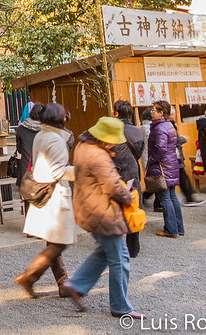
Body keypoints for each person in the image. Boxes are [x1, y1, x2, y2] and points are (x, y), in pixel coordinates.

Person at [61, 117, 142, 320]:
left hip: (88, 208)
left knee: (105, 252)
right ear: (105, 139)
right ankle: (120, 306)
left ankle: (77, 284)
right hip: (103, 212)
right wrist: (128, 196)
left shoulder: (83, 146)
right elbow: (112, 186)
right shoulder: (98, 156)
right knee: (120, 258)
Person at [15, 103, 75, 295]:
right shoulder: (56, 140)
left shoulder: (41, 134)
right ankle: (29, 277)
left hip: (44, 191)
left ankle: (63, 283)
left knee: (54, 241)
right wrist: (82, 171)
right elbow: (57, 171)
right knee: (59, 242)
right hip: (54, 194)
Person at [111, 100, 144, 257]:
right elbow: (139, 153)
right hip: (132, 170)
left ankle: (115, 246)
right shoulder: (137, 131)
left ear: (116, 113)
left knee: (113, 208)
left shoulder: (112, 130)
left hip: (116, 171)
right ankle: (133, 247)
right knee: (133, 204)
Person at [146, 101, 184, 238]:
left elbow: (160, 149)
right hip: (171, 165)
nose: (151, 112)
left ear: (161, 113)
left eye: (154, 110)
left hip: (162, 166)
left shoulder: (159, 127)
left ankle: (171, 229)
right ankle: (178, 228)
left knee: (165, 198)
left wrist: (152, 160)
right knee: (172, 197)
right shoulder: (168, 125)